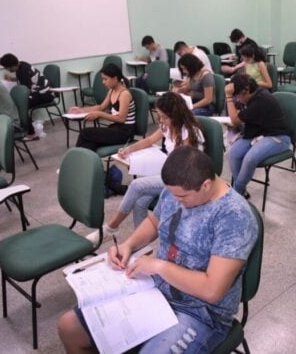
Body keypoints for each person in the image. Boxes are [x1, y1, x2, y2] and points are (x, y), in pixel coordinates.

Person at [58, 146, 259, 354]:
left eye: (182, 197)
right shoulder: (177, 189)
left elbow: (212, 290)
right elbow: (155, 222)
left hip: (201, 312)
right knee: (69, 327)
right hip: (156, 291)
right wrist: (128, 245)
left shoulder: (234, 217)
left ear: (206, 185)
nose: (176, 200)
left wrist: (159, 266)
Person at [86, 92, 205, 244]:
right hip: (171, 172)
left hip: (184, 178)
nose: (161, 120)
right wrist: (129, 149)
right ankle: (141, 244)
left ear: (176, 115)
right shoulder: (168, 125)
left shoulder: (189, 132)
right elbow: (149, 140)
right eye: (160, 116)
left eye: (165, 117)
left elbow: (187, 165)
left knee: (136, 185)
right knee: (140, 201)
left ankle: (111, 227)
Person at [225, 74, 291, 198]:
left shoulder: (261, 100)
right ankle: (241, 190)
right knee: (233, 153)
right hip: (258, 133)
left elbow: (235, 120)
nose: (237, 100)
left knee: (249, 159)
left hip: (278, 137)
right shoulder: (253, 94)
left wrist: (228, 97)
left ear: (245, 91)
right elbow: (240, 116)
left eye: (237, 96)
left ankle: (236, 193)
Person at [71, 63, 135, 151]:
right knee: (89, 142)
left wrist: (100, 114)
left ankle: (79, 160)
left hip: (125, 133)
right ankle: (86, 162)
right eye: (103, 79)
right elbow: (101, 107)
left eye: (105, 79)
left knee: (85, 133)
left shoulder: (124, 94)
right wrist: (81, 110)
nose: (103, 82)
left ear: (115, 78)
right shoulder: (112, 91)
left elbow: (121, 119)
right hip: (115, 129)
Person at [0, 53, 52, 141]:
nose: (7, 69)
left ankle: (32, 134)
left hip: (44, 95)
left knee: (21, 106)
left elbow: (25, 90)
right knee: (19, 104)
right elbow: (26, 82)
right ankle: (26, 129)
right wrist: (12, 80)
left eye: (6, 67)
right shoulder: (22, 65)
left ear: (11, 66)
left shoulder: (23, 70)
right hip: (40, 92)